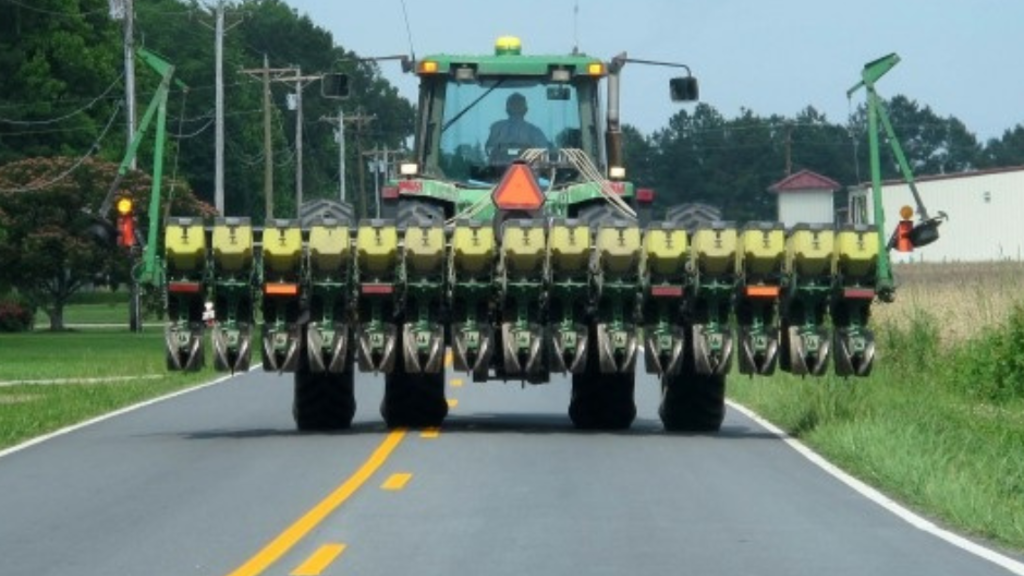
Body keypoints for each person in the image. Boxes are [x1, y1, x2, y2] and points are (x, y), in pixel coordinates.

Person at [486, 92, 549, 160]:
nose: (516, 107)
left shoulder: (497, 128)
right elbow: (489, 150)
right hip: (499, 169)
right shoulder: (535, 132)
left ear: (507, 110)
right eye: (514, 104)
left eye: (518, 105)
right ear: (526, 110)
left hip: (529, 169)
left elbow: (545, 153)